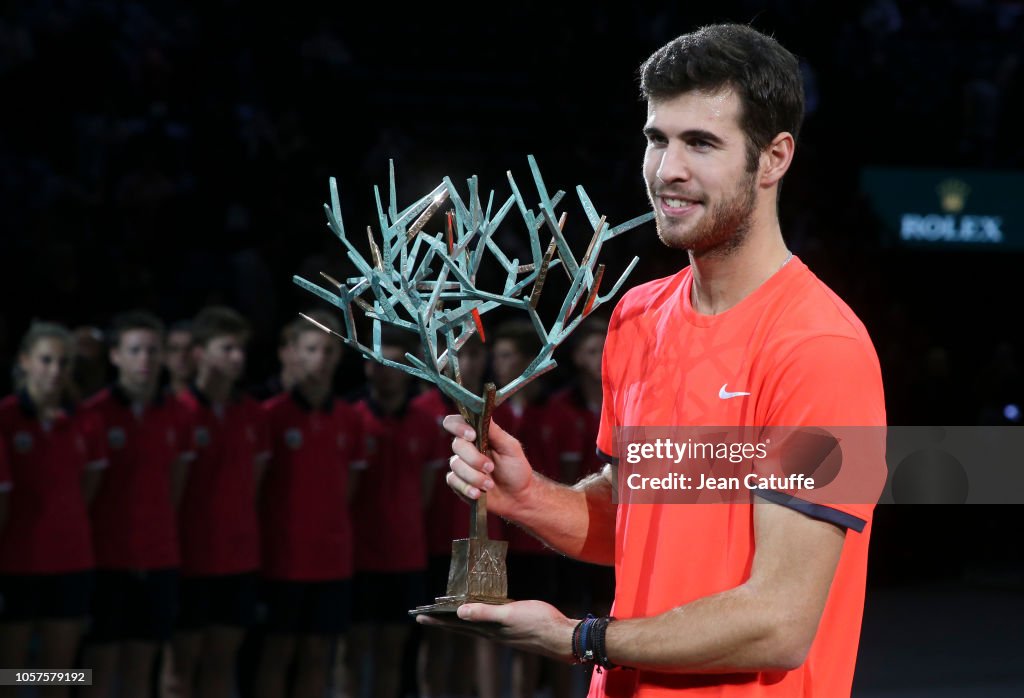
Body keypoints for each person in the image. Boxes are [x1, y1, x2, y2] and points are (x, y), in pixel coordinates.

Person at [426, 23, 886, 698]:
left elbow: (781, 623)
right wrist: (527, 497)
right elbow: (638, 522)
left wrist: (582, 639)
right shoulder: (638, 316)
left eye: (701, 142)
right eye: (656, 138)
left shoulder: (823, 350)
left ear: (774, 158)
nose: (667, 169)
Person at [81, 311, 194, 698]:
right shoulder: (92, 415)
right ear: (114, 356)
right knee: (95, 671)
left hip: (159, 559)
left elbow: (174, 491)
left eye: (152, 350)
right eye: (134, 350)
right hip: (105, 561)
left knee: (141, 672)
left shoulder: (178, 416)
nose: (144, 359)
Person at [257, 311, 365, 698]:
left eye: (328, 350)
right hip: (283, 557)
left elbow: (347, 491)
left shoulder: (351, 420)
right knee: (278, 651)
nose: (321, 358)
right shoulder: (270, 416)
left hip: (331, 556)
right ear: (293, 354)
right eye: (311, 349)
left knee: (320, 653)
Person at [0, 322, 108, 698]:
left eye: (63, 363)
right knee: (9, 676)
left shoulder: (86, 421)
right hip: (17, 562)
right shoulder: (6, 419)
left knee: (60, 677)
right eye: (46, 360)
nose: (55, 370)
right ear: (25, 361)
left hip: (71, 560)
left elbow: (86, 492)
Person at [169, 306, 270, 698]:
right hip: (188, 560)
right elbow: (172, 496)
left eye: (241, 349)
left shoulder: (252, 415)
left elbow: (253, 490)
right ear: (199, 354)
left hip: (238, 560)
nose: (238, 357)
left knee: (220, 664)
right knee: (179, 670)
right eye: (227, 348)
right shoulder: (178, 413)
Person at [349, 329, 445, 698]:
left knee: (393, 653)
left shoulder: (424, 424)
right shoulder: (352, 417)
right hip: (357, 556)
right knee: (353, 653)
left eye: (393, 364)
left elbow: (424, 493)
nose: (385, 372)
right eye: (377, 364)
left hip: (405, 556)